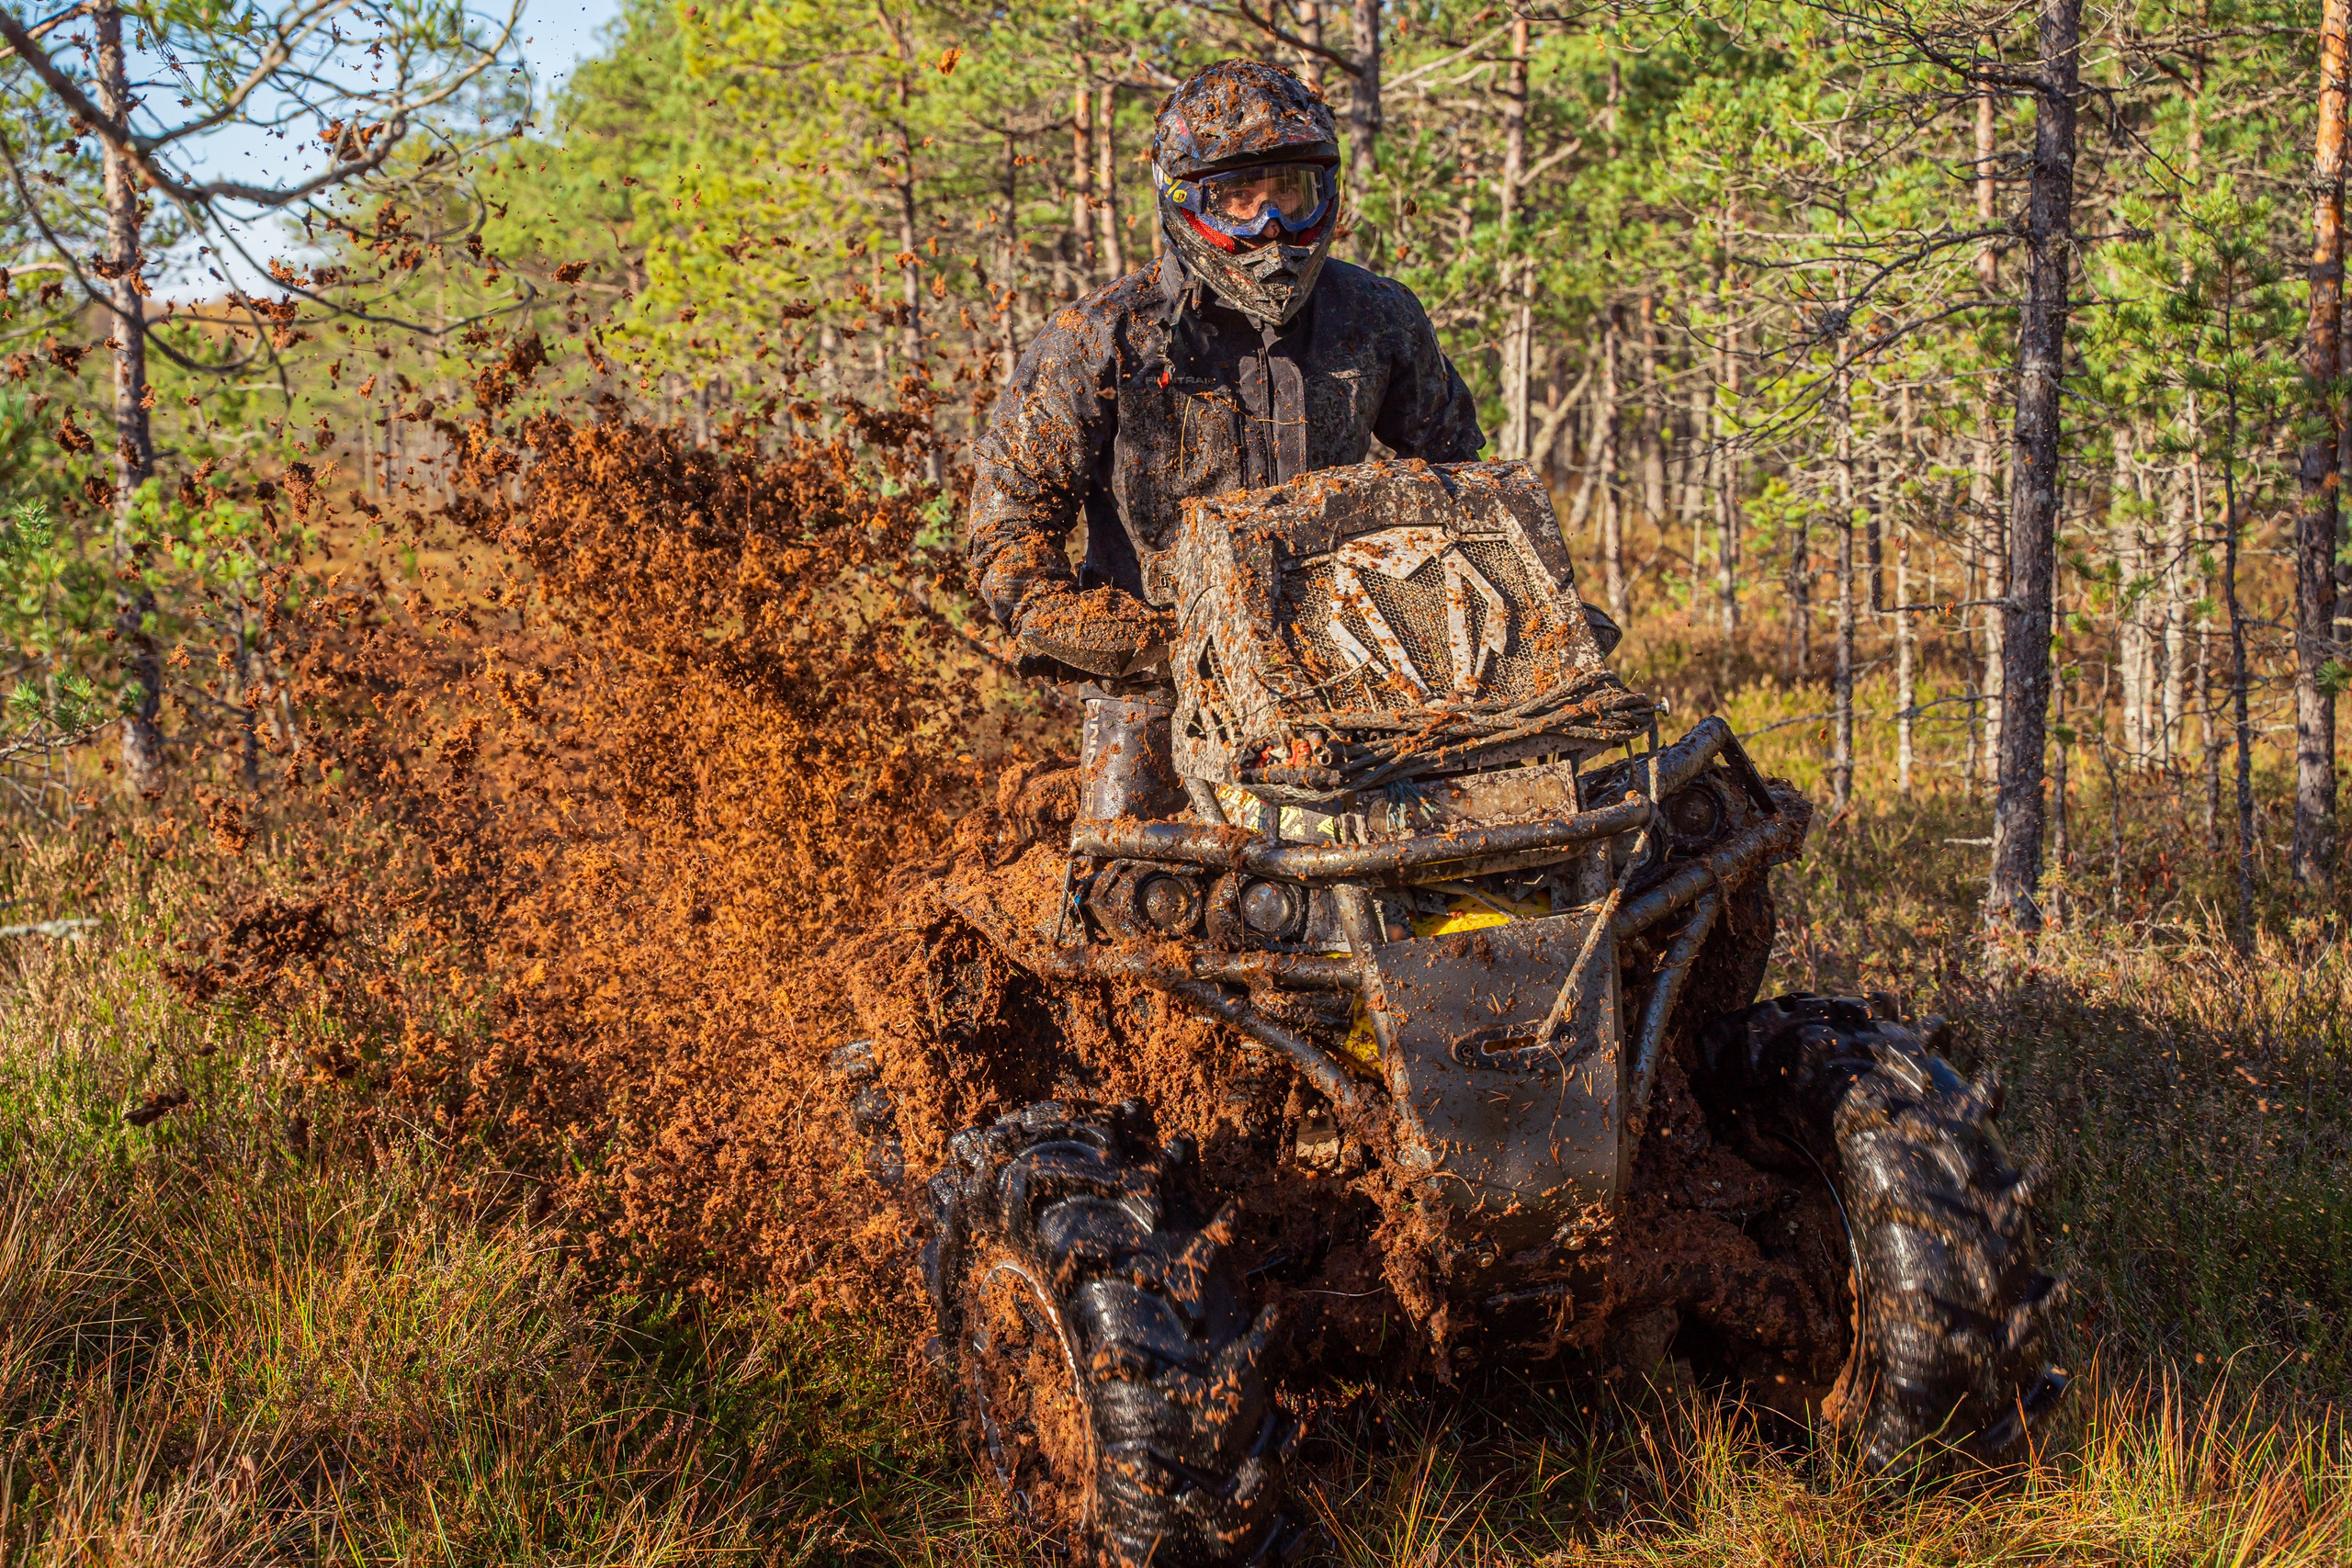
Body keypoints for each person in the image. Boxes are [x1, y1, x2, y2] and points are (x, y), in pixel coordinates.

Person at [967, 58, 1488, 689]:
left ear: (1324, 191)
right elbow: (1009, 524)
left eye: (1291, 194)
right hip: (1158, 679)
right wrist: (1120, 638)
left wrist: (1510, 599)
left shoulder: (1377, 316)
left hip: (1344, 662)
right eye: (1240, 199)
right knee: (1129, 785)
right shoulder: (1104, 337)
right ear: (1186, 199)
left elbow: (1460, 478)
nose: (1271, 226)